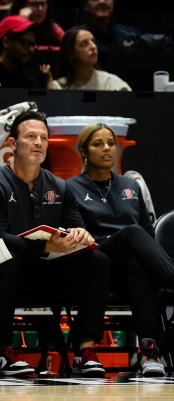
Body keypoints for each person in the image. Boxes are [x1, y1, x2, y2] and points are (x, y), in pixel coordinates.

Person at [65, 123, 174, 377]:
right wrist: (117, 237)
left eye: (110, 143)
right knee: (132, 233)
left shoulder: (130, 186)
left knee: (138, 264)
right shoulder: (70, 188)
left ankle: (149, 351)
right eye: (98, 144)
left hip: (127, 268)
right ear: (83, 151)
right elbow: (77, 235)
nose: (107, 148)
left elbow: (148, 235)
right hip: (94, 261)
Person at [0, 111, 110, 377]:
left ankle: (85, 351)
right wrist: (44, 247)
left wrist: (79, 236)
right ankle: (3, 351)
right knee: (3, 254)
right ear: (13, 144)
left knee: (98, 261)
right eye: (30, 137)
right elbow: (1, 234)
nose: (38, 142)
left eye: (43, 138)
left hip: (50, 274)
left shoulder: (59, 185)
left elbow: (77, 225)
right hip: (9, 274)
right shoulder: (1, 182)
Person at [44, 26, 131, 90]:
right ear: (71, 53)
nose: (93, 47)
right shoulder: (58, 87)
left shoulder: (112, 84)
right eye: (84, 44)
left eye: (93, 41)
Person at [0, 15, 42, 88]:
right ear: (6, 42)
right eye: (25, 43)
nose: (31, 50)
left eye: (33, 44)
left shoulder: (30, 83)